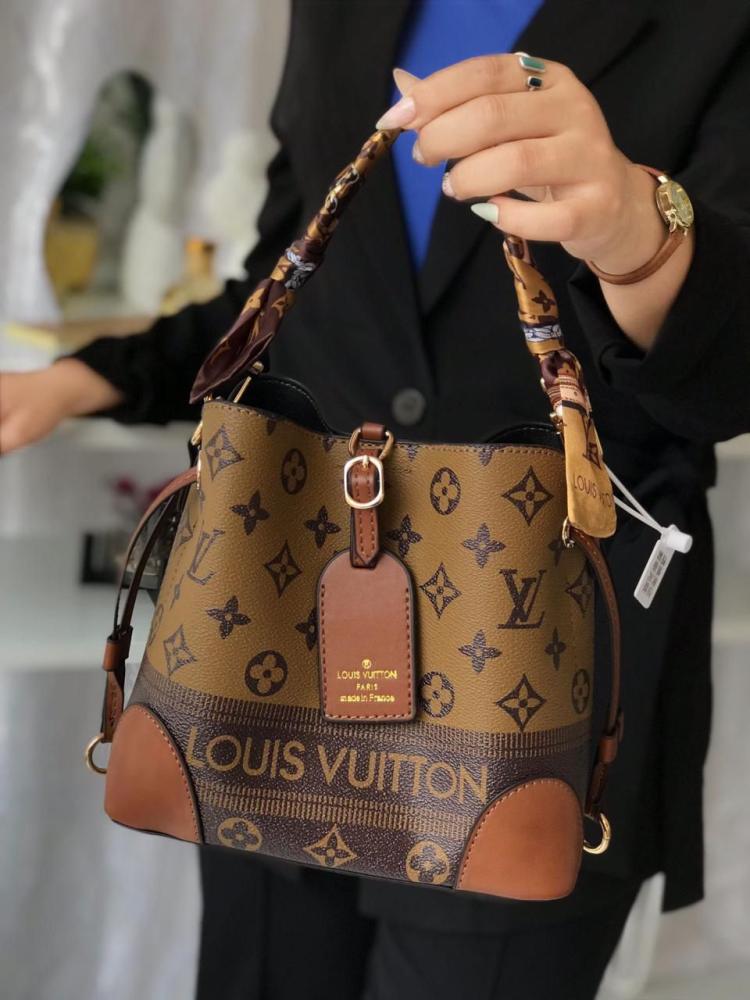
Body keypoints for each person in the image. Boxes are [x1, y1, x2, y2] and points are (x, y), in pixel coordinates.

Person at [3, 1, 750, 997]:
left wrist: (633, 231)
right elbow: (288, 278)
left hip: (535, 676)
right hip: (276, 640)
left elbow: (728, 383)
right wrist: (88, 375)